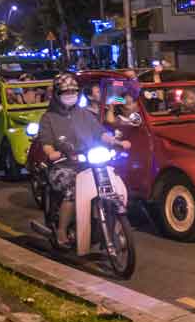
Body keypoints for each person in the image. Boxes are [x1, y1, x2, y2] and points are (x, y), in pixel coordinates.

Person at [40, 73, 129, 247]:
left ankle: (110, 228)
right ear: (57, 95)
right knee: (73, 190)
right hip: (63, 165)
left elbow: (101, 133)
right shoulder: (48, 118)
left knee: (110, 184)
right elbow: (46, 143)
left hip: (89, 163)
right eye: (66, 92)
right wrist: (52, 153)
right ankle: (61, 231)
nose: (70, 95)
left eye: (73, 91)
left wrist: (116, 142)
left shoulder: (85, 114)